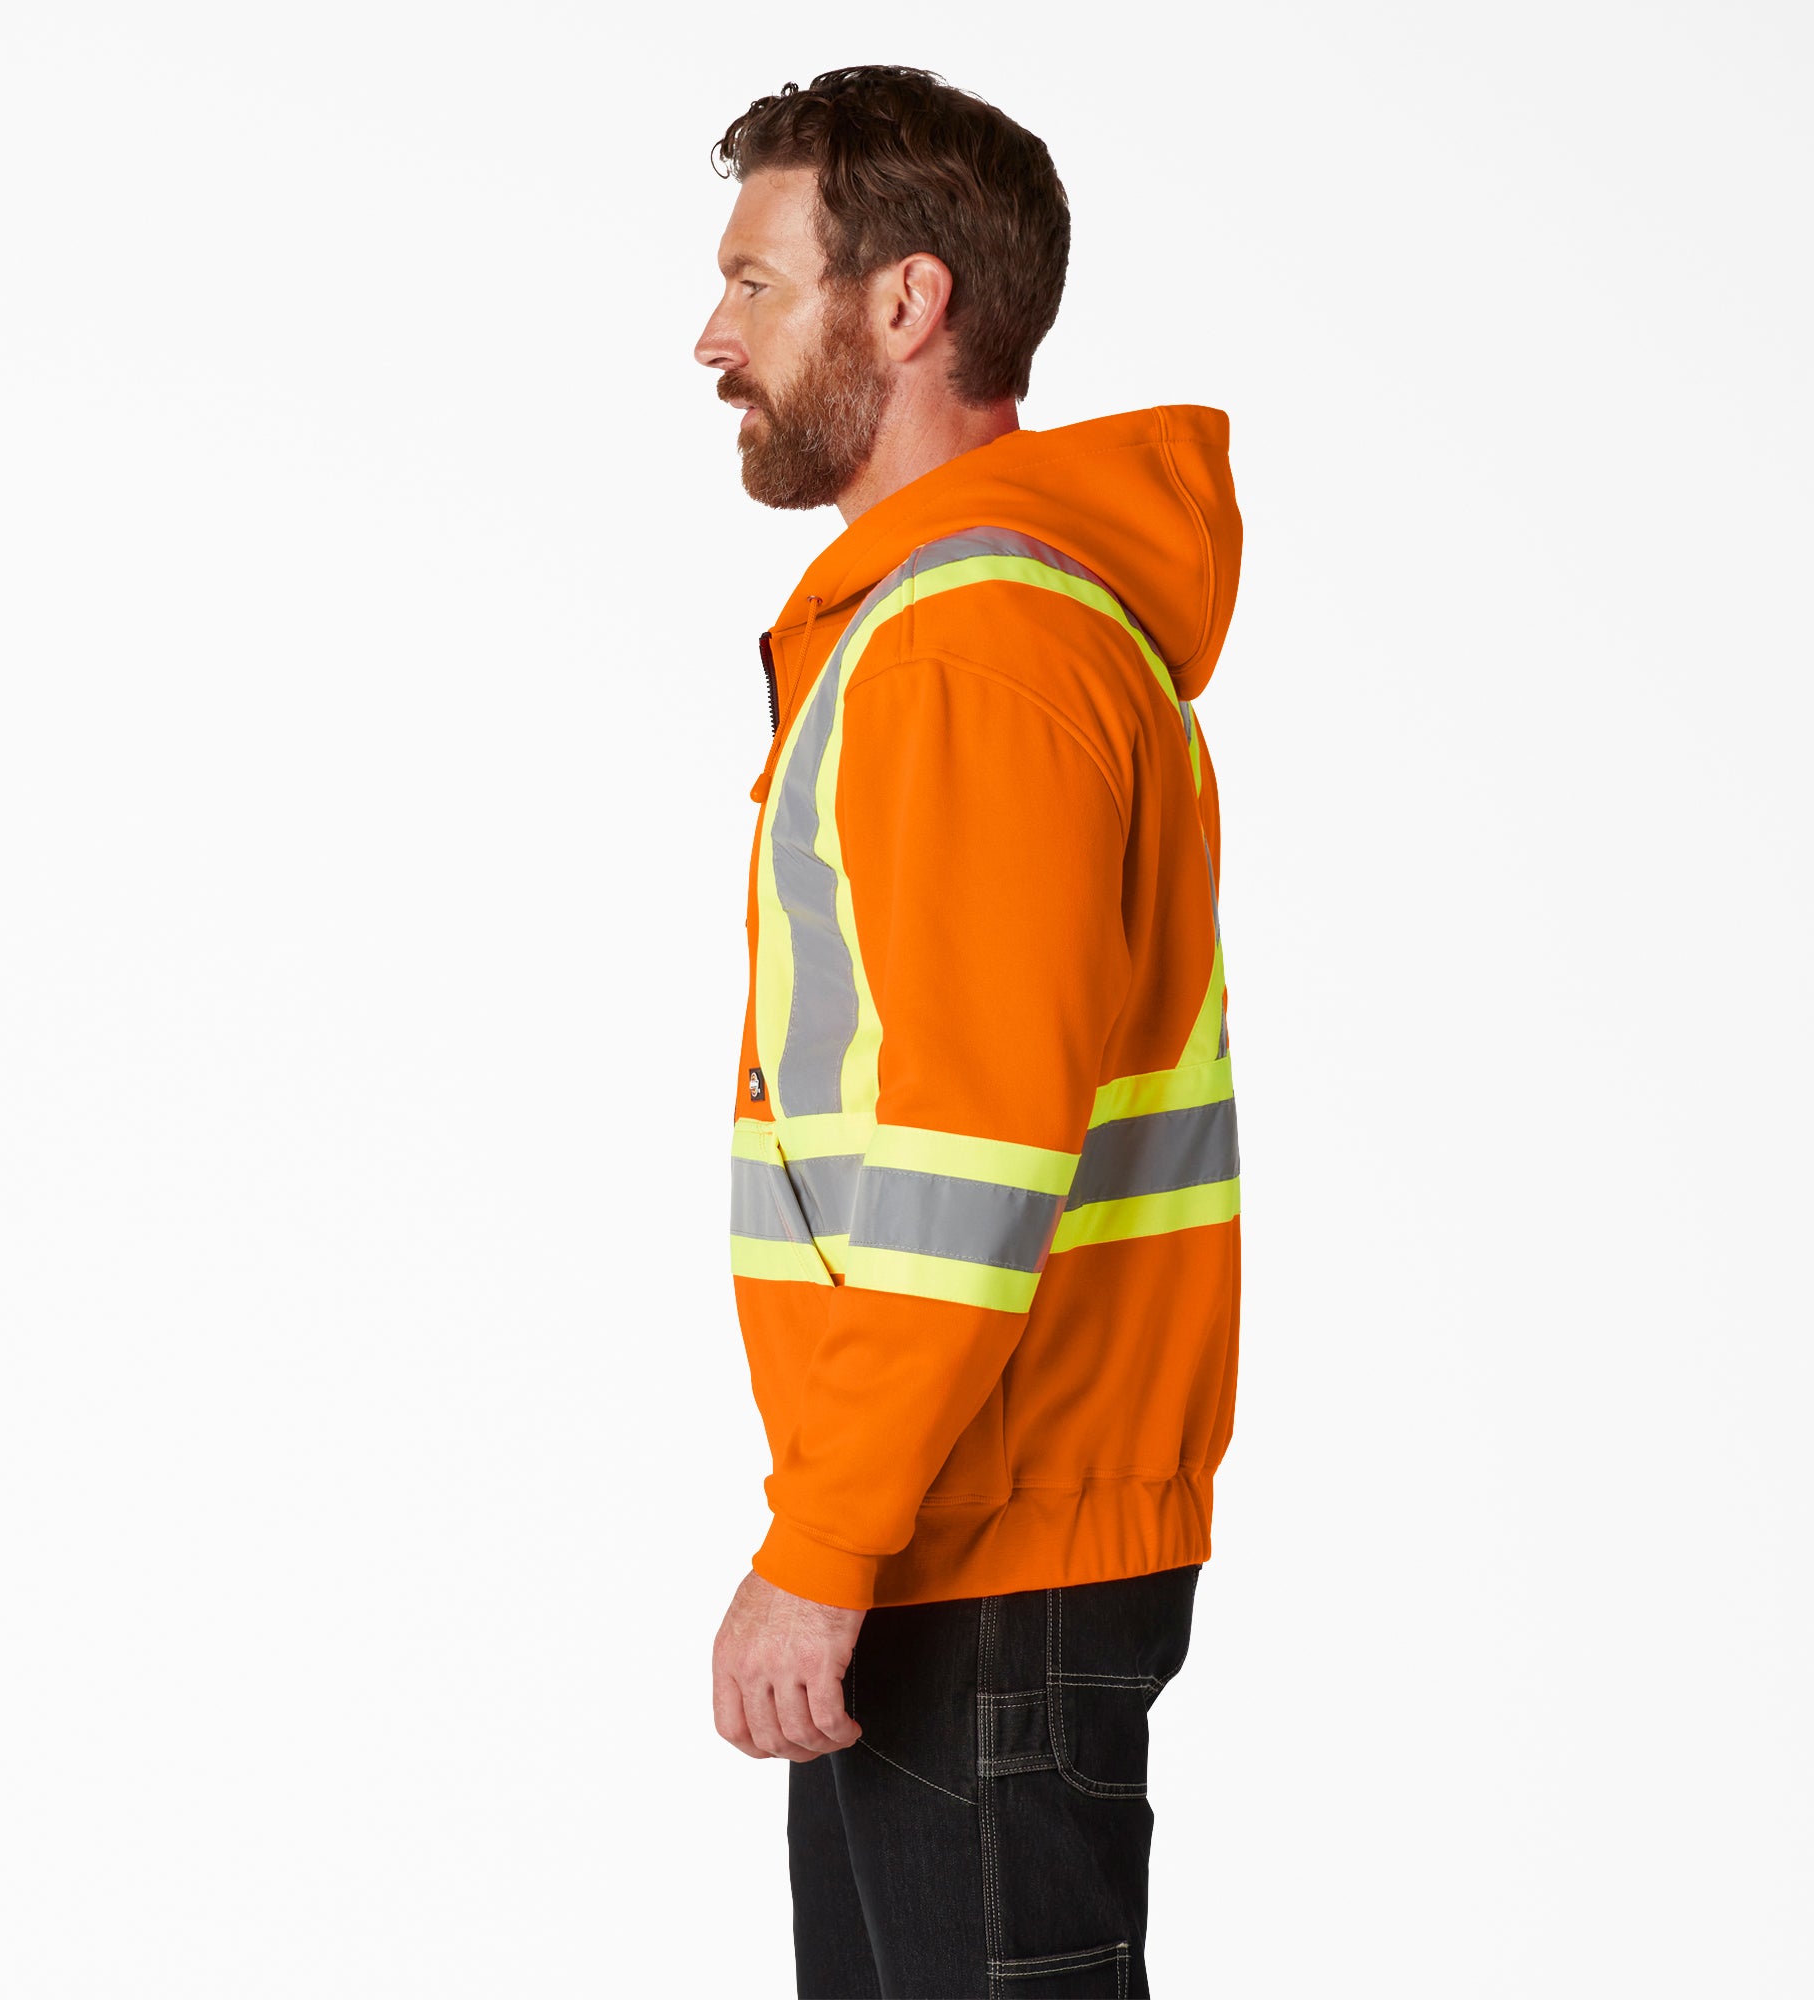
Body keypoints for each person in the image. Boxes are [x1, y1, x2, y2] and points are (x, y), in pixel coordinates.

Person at [694, 66, 1243, 2000]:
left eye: (757, 283)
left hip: (977, 1533)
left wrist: (822, 1542)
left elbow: (969, 1156)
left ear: (907, 303)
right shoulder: (955, 628)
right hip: (968, 1519)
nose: (713, 337)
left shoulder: (972, 649)